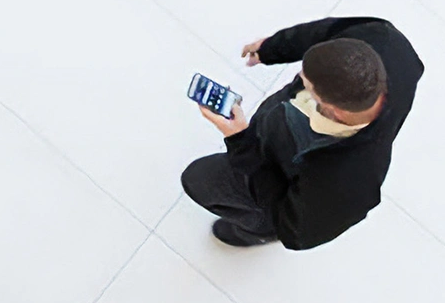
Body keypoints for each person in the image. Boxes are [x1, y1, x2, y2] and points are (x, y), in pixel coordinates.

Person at [181, 16, 423, 250]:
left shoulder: (348, 184)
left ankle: (259, 232)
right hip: (275, 131)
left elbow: (295, 232)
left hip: (281, 181)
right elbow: (325, 32)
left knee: (197, 180)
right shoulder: (384, 41)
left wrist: (241, 142)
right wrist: (271, 49)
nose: (298, 77)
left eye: (306, 84)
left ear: (333, 109)